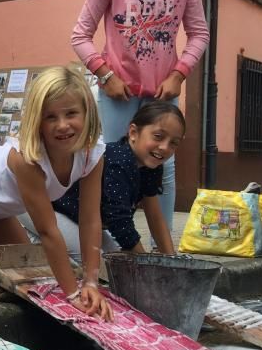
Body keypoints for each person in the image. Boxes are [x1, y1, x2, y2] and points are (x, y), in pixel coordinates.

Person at [71, 0, 208, 237]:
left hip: (163, 93)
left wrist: (180, 74)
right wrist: (106, 74)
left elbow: (199, 33)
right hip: (118, 94)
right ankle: (109, 237)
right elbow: (80, 36)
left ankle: (165, 247)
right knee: (109, 165)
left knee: (165, 166)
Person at [0, 65, 113, 321]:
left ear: (87, 113)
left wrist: (91, 283)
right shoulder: (28, 160)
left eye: (71, 113)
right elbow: (48, 231)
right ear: (37, 119)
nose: (62, 125)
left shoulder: (92, 153)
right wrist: (72, 295)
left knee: (23, 269)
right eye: (50, 117)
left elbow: (90, 219)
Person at [52, 101, 185, 257]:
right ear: (133, 132)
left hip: (84, 222)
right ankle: (37, 244)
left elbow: (155, 217)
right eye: (158, 136)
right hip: (55, 212)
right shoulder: (119, 161)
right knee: (98, 262)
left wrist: (172, 260)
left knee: (111, 260)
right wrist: (143, 261)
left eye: (173, 143)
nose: (164, 147)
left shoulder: (151, 166)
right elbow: (119, 221)